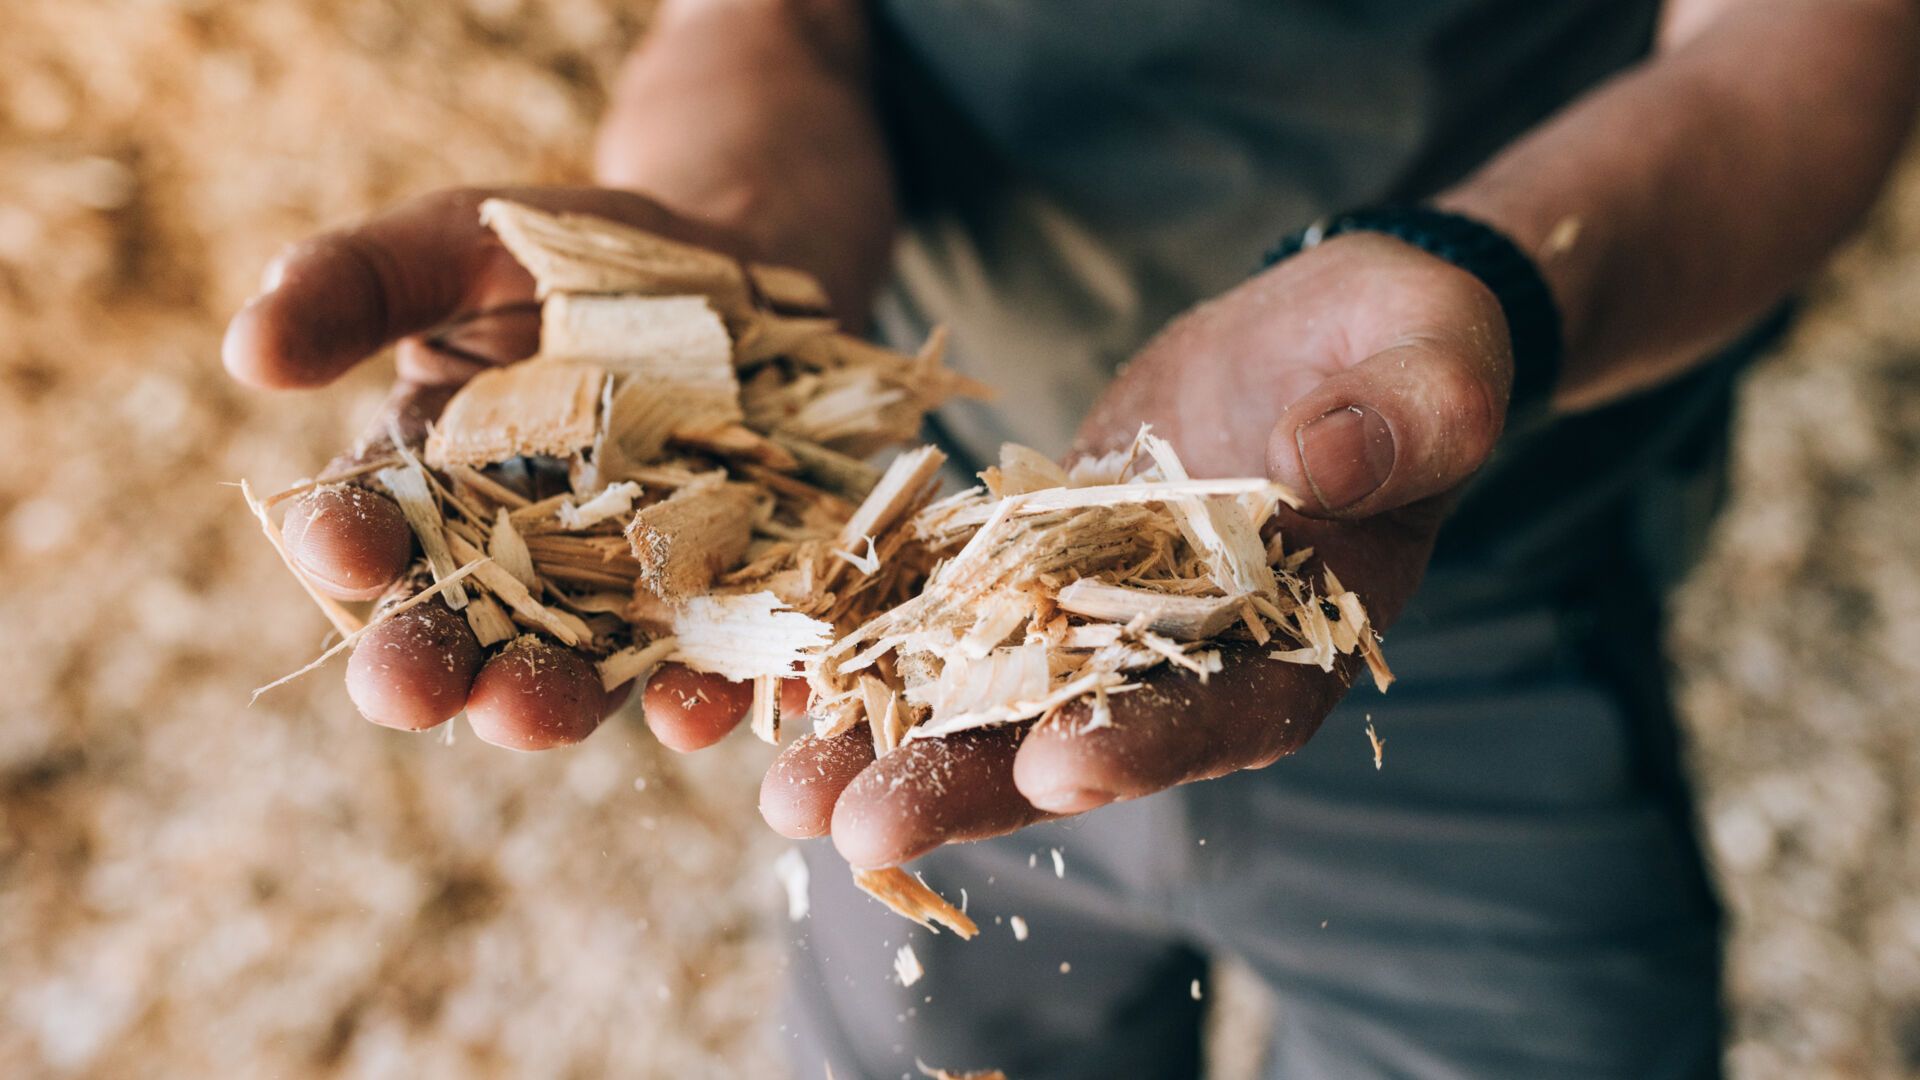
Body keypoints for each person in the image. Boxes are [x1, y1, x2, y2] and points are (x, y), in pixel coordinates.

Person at [222, 0, 1920, 1075]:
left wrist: (1495, 286)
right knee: (931, 1006)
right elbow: (780, 22)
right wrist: (723, 270)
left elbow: (1805, 45)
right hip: (922, 588)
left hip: (1488, 601)